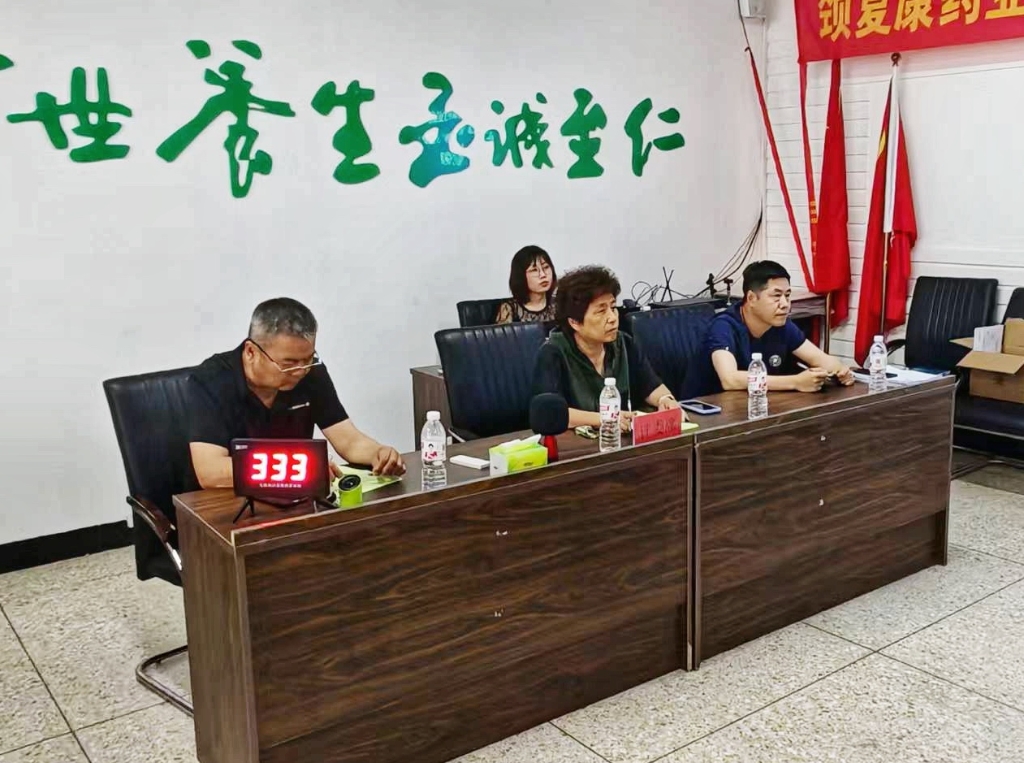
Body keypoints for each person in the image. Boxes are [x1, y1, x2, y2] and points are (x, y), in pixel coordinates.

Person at [186, 297, 405, 489]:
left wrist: (379, 453)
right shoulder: (210, 380)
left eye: (308, 359)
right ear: (251, 352)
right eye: (288, 363)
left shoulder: (311, 372)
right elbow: (211, 472)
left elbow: (348, 441)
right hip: (224, 503)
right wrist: (301, 470)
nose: (301, 371)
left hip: (295, 500)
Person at [532, 265, 684, 432]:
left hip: (622, 438)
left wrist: (665, 399)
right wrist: (606, 419)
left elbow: (650, 385)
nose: (612, 318)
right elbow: (551, 414)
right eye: (601, 311)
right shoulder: (553, 352)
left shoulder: (623, 343)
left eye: (613, 307)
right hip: (577, 443)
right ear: (574, 322)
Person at [682, 260, 854, 398]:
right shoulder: (724, 326)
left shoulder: (781, 324)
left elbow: (820, 359)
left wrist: (840, 371)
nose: (785, 304)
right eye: (776, 296)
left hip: (756, 406)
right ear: (751, 298)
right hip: (708, 414)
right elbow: (730, 379)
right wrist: (796, 382)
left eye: (787, 295)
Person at [495, 245, 557, 324]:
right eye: (534, 270)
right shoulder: (510, 309)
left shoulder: (559, 304)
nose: (543, 275)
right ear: (521, 276)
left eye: (546, 267)